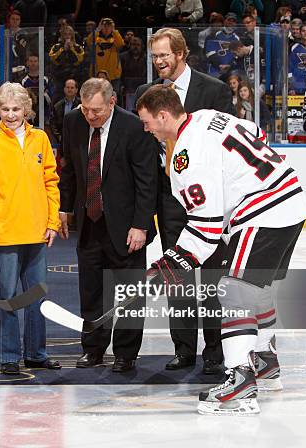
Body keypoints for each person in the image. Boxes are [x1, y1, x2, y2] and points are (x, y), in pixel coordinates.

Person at [136, 84, 306, 415]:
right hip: (290, 200)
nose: (145, 128)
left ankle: (241, 383)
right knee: (255, 291)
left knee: (232, 292)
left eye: (147, 121)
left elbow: (207, 228)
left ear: (163, 115)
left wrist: (171, 263)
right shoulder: (206, 116)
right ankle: (265, 363)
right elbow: (255, 132)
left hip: (264, 212)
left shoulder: (187, 157)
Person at [135, 27, 236, 374]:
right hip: (170, 202)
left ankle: (215, 351)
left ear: (181, 54)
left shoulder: (214, 90)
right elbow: (146, 159)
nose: (159, 62)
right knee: (176, 276)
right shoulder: (145, 93)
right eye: (154, 56)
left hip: (209, 202)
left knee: (211, 278)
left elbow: (226, 147)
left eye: (164, 55)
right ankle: (183, 349)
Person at [58, 78, 157, 373]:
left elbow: (147, 182)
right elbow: (70, 170)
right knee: (91, 291)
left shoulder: (133, 127)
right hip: (89, 221)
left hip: (127, 227)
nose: (91, 116)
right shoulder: (73, 122)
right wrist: (64, 208)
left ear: (112, 102)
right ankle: (93, 349)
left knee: (129, 293)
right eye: (86, 109)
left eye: (97, 111)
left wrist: (141, 225)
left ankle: (126, 353)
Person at [0, 82, 60, 375]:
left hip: (36, 232)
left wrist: (52, 222)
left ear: (26, 109)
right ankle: (9, 355)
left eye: (16, 108)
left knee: (36, 297)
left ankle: (36, 353)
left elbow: (51, 183)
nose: (10, 114)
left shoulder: (41, 139)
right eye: (5, 109)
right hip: (3, 233)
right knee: (7, 297)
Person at [50, 78, 80, 146]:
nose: (69, 90)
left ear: (76, 90)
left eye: (72, 88)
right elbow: (53, 123)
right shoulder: (57, 106)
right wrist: (59, 137)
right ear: (64, 89)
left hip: (79, 141)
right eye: (67, 87)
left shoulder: (82, 105)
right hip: (62, 141)